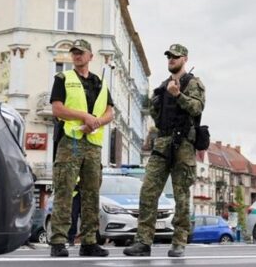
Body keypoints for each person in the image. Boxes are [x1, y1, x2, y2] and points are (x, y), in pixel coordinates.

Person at [124, 44, 205, 258]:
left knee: (181, 195)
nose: (171, 59)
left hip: (183, 145)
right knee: (148, 191)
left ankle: (179, 242)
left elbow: (197, 108)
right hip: (162, 142)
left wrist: (178, 95)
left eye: (175, 56)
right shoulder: (162, 86)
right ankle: (143, 242)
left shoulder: (193, 83)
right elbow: (155, 114)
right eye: (169, 56)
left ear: (184, 59)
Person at [48, 38, 114, 257]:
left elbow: (110, 112)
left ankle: (89, 242)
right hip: (71, 141)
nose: (77, 55)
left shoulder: (100, 83)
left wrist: (95, 122)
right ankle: (58, 241)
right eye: (74, 52)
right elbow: (57, 109)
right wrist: (84, 116)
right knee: (65, 190)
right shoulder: (63, 78)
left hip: (93, 144)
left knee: (91, 194)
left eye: (81, 52)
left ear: (90, 56)